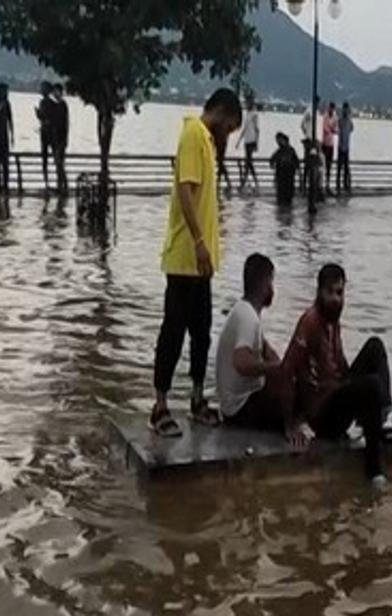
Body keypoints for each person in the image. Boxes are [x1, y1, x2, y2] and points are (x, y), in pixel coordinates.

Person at [150, 88, 244, 436]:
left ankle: (196, 397)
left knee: (201, 333)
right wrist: (200, 242)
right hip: (184, 258)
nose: (229, 135)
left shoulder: (206, 140)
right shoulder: (192, 133)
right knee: (173, 332)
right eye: (230, 128)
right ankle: (159, 406)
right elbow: (186, 192)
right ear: (221, 113)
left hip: (201, 264)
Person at [283, 264, 392, 485]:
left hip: (337, 393)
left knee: (375, 346)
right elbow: (287, 370)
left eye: (340, 293)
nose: (335, 298)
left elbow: (340, 365)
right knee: (371, 386)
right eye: (330, 292)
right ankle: (374, 471)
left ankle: (382, 413)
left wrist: (356, 388)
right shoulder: (310, 322)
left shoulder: (333, 320)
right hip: (323, 415)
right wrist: (292, 423)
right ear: (319, 292)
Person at [216, 253, 311, 447]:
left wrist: (281, 366)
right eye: (272, 282)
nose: (272, 289)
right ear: (265, 284)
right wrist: (275, 369)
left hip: (235, 406)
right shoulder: (248, 318)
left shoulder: (245, 312)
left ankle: (290, 421)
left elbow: (268, 351)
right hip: (240, 411)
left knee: (292, 377)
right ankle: (289, 428)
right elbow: (241, 362)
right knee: (306, 396)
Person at [50, 84, 70, 195]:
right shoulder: (56, 106)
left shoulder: (63, 105)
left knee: (60, 164)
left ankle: (64, 186)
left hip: (61, 139)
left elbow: (65, 123)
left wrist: (65, 139)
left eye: (56, 91)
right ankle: (60, 186)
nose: (54, 93)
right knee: (58, 164)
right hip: (56, 139)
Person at [270, 132, 299, 207]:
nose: (278, 142)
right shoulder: (285, 151)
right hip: (284, 177)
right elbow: (272, 160)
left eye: (279, 140)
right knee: (285, 197)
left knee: (285, 196)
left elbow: (296, 163)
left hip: (286, 176)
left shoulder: (287, 151)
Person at [237, 98, 260, 190]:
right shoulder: (247, 114)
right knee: (249, 162)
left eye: (248, 104)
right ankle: (254, 181)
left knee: (248, 162)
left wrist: (256, 143)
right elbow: (245, 128)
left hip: (251, 140)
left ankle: (244, 182)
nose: (246, 105)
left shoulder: (254, 115)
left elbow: (257, 129)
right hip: (247, 140)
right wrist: (239, 140)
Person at [35, 81, 55, 190]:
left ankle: (53, 183)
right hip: (44, 133)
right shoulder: (43, 102)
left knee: (50, 159)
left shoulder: (49, 103)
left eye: (43, 88)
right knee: (45, 159)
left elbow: (49, 118)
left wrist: (40, 116)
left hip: (49, 133)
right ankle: (46, 183)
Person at [336, 102, 354, 194]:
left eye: (347, 109)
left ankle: (346, 185)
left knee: (346, 167)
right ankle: (338, 185)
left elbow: (351, 129)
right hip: (340, 146)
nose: (345, 110)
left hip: (347, 147)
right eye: (344, 109)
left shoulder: (349, 121)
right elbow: (338, 129)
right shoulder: (340, 120)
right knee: (339, 167)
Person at [321, 102, 338, 193]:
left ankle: (327, 184)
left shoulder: (335, 117)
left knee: (329, 165)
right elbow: (325, 128)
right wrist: (332, 130)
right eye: (330, 108)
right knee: (323, 164)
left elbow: (336, 129)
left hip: (331, 144)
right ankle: (322, 184)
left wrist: (332, 130)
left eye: (333, 108)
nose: (331, 110)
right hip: (324, 143)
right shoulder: (325, 116)